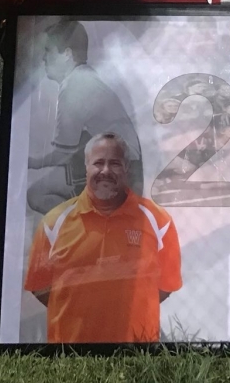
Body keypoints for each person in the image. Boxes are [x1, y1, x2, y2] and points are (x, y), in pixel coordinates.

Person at [25, 133, 182, 343]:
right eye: (98, 163)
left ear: (126, 167)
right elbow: (40, 287)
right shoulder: (53, 223)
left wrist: (128, 307)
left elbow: (165, 286)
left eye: (115, 163)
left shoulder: (159, 222)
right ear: (86, 166)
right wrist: (78, 310)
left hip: (137, 356)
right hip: (69, 356)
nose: (105, 171)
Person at [27, 20, 142, 212]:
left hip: (122, 175)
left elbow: (63, 153)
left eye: (48, 51)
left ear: (67, 54)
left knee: (37, 194)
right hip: (121, 168)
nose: (43, 59)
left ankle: (89, 229)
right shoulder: (83, 77)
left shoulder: (74, 86)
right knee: (44, 189)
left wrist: (32, 162)